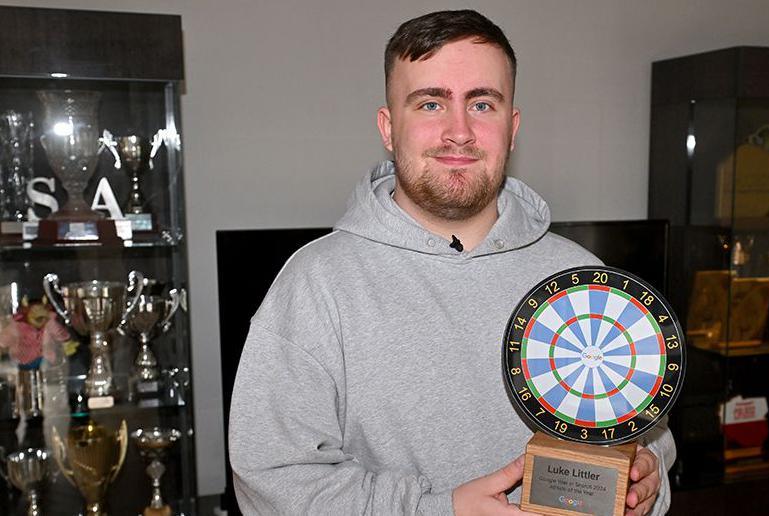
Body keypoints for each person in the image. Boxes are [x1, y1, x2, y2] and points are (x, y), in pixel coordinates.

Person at [229, 9, 675, 516]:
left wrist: (646, 479)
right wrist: (440, 510)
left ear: (512, 127)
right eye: (430, 103)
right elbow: (274, 484)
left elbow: (648, 426)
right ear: (389, 127)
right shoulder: (315, 285)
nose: (458, 131)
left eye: (482, 103)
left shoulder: (584, 280)